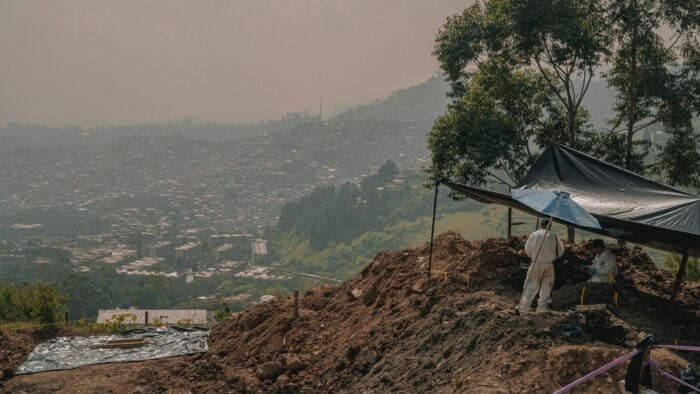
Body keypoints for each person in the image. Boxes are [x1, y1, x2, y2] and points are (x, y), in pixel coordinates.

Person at [519, 218, 565, 313]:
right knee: (546, 286)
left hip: (536, 263)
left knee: (531, 285)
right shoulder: (554, 236)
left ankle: (524, 308)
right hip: (549, 264)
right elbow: (560, 252)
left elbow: (528, 250)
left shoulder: (534, 235)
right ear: (550, 226)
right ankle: (542, 308)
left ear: (541, 225)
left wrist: (533, 255)